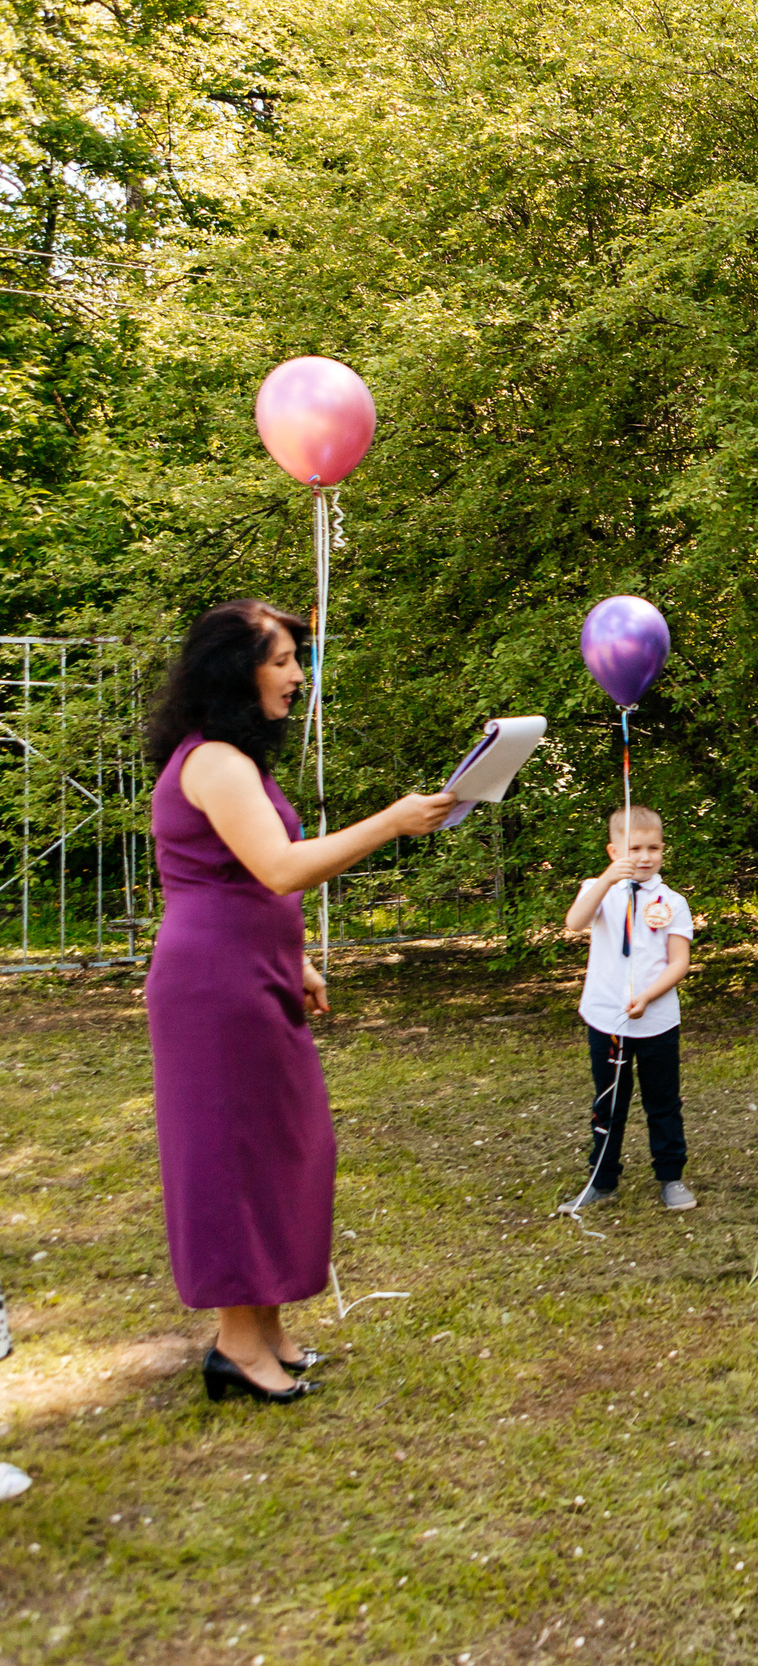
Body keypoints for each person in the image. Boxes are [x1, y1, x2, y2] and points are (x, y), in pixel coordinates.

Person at [144, 599, 454, 1403]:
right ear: (234, 669)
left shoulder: (235, 759)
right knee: (229, 1156)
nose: (296, 676)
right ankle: (235, 1347)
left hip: (254, 970)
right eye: (282, 659)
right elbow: (280, 868)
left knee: (286, 1146)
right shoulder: (214, 761)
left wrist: (297, 957)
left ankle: (269, 1327)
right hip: (213, 986)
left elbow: (244, 878)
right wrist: (391, 821)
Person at [557, 804, 694, 1215]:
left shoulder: (673, 901)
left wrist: (649, 996)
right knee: (609, 1102)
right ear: (614, 851)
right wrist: (604, 881)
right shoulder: (597, 891)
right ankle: (602, 1181)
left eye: (654, 847)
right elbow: (575, 922)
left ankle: (671, 1177)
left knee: (663, 1102)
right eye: (634, 848)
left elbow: (679, 962)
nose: (645, 856)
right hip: (607, 1019)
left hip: (657, 1020)